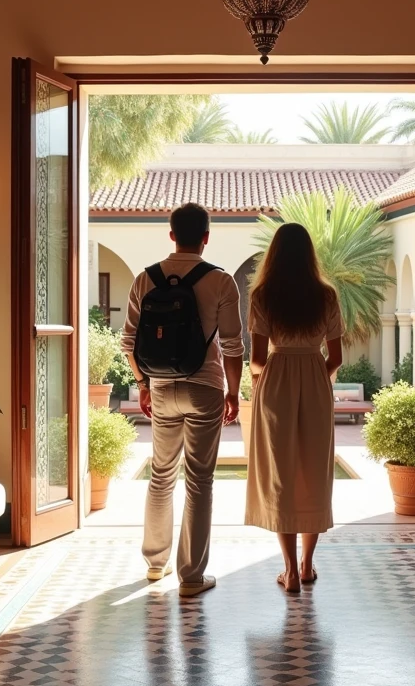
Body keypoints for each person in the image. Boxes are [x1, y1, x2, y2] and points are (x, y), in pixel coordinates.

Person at [122, 203, 243, 597]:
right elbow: (233, 346)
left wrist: (143, 384)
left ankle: (155, 563)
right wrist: (233, 392)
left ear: (171, 235)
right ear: (206, 237)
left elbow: (128, 343)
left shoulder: (145, 278)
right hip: (205, 386)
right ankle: (191, 577)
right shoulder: (222, 281)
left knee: (161, 475)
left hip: (161, 387)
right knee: (200, 480)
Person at [244, 222, 343, 594]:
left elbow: (256, 359)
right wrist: (315, 374)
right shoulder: (327, 296)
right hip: (316, 383)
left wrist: (269, 375)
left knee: (280, 473)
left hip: (276, 384)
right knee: (314, 472)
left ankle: (288, 571)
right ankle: (306, 565)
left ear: (274, 254)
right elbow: (336, 357)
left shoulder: (263, 295)